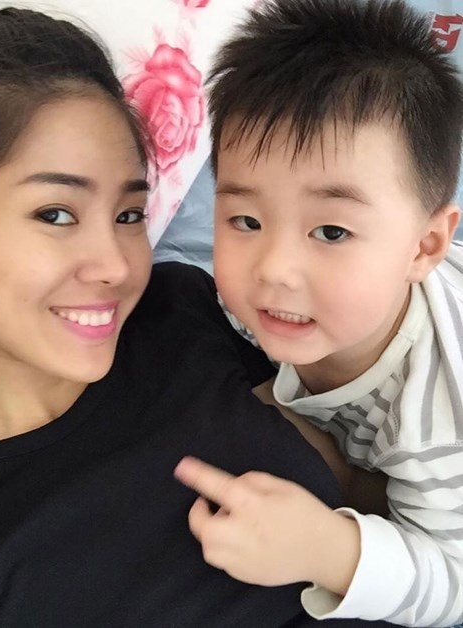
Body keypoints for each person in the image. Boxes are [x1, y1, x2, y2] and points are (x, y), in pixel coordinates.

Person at [0, 4, 398, 627]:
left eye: (129, 215)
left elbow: (370, 489)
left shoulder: (177, 310)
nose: (116, 265)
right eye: (56, 214)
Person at [174, 0, 463, 626]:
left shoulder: (436, 421)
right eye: (245, 220)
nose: (273, 269)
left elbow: (456, 581)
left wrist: (329, 550)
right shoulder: (241, 302)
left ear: (423, 247)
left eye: (331, 231)